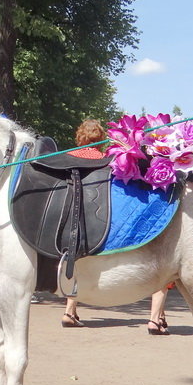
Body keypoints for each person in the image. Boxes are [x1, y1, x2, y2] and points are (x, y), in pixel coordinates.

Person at [62, 119, 107, 327]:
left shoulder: (67, 157)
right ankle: (70, 312)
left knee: (73, 257)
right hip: (94, 214)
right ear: (100, 138)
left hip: (66, 212)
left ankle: (70, 310)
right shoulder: (104, 159)